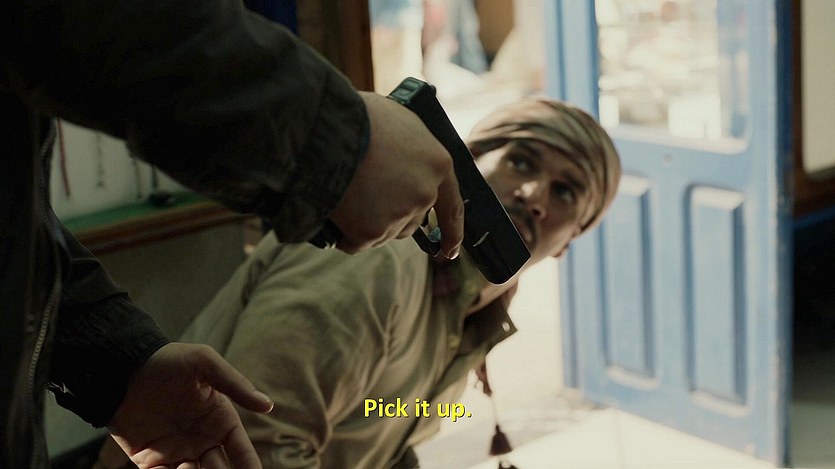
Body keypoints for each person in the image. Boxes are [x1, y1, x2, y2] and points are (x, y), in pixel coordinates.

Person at [1, 0, 468, 467]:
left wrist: (118, 362)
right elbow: (270, 442)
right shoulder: (376, 273)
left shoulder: (474, 323)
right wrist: (340, 143)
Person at [97, 97, 621, 469]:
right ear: (467, 164)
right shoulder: (381, 259)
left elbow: (381, 419)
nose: (533, 194)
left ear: (571, 239)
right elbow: (260, 444)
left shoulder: (476, 306)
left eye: (566, 192)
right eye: (520, 161)